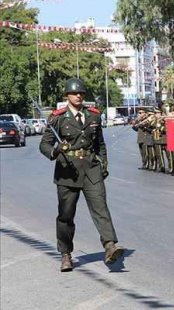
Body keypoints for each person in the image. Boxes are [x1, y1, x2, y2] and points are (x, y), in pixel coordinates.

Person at [39, 78, 124, 272]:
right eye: (75, 93)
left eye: (82, 93)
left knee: (101, 207)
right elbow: (44, 144)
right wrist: (56, 150)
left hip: (91, 168)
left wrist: (104, 163)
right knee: (66, 215)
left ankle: (110, 245)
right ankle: (66, 253)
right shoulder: (57, 117)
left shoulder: (94, 116)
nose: (78, 96)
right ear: (67, 96)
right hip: (67, 170)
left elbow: (100, 144)